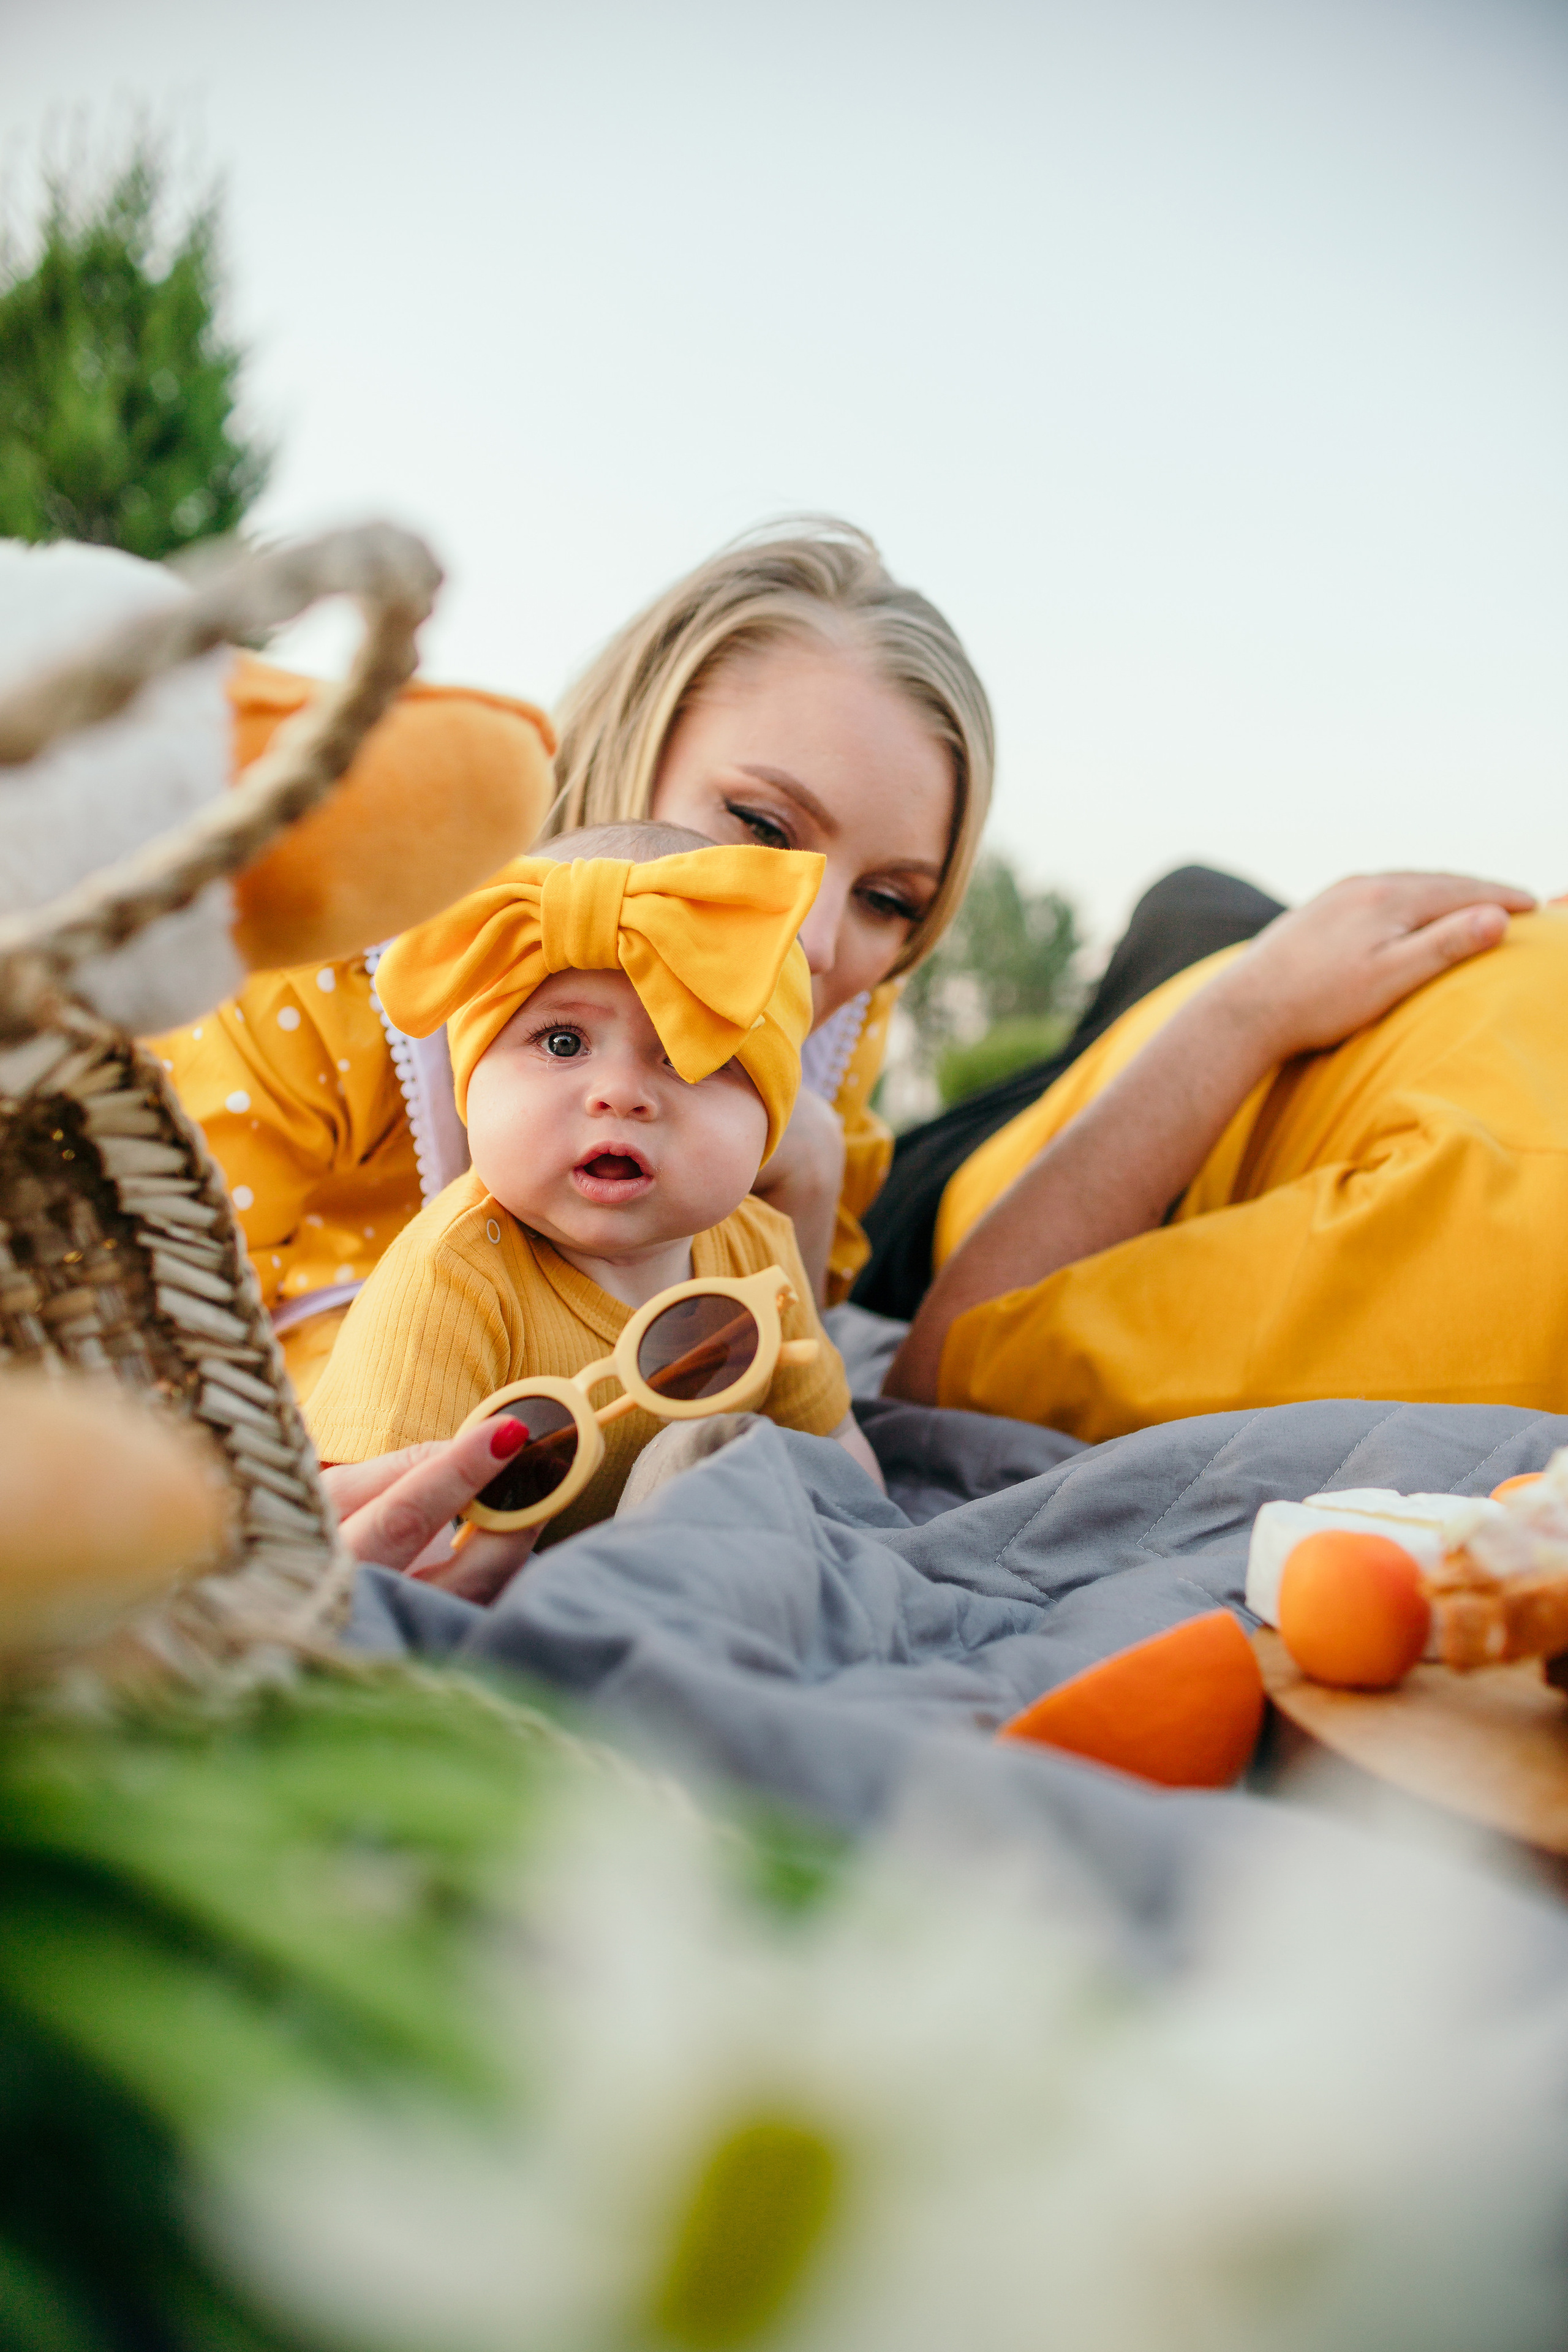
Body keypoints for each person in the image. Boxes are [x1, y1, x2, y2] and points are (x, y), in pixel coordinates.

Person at [160, 522, 995, 1396]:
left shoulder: (838, 1015)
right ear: (628, 741)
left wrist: (808, 1173)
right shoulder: (334, 952)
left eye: (889, 900)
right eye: (761, 828)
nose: (813, 942)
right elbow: (143, 1327)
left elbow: (785, 1371)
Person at [307, 826, 878, 1596]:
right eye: (564, 1040)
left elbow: (836, 1452)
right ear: (471, 1085)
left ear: (772, 1115)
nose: (620, 1091)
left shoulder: (761, 1251)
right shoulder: (452, 1278)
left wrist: (883, 1569)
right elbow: (388, 1528)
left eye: (682, 1053)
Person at [882, 869, 1568, 1441]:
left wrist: (1252, 1005)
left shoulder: (1502, 1230)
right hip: (1266, 977)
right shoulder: (1513, 1230)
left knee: (1190, 896)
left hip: (1066, 1148)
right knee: (1192, 899)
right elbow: (944, 1368)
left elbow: (948, 1372)